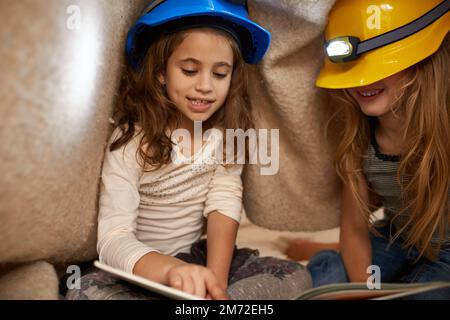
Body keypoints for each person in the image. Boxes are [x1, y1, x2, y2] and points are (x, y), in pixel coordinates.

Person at [65, 0, 311, 300]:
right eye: (190, 70)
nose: (205, 86)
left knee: (295, 276)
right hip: (139, 268)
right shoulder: (131, 141)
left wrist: (214, 284)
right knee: (84, 292)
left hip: (197, 259)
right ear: (160, 73)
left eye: (220, 74)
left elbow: (224, 202)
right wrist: (171, 272)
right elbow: (113, 239)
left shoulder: (226, 137)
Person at [286, 0, 450, 299]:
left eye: (382, 63)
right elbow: (354, 230)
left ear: (423, 60)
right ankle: (330, 256)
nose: (363, 79)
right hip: (396, 241)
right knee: (327, 280)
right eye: (353, 67)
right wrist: (367, 290)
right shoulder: (359, 140)